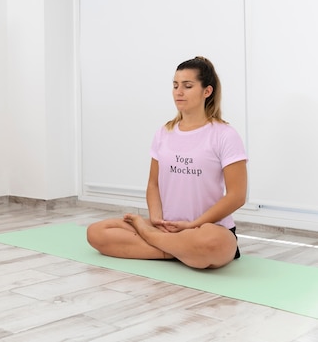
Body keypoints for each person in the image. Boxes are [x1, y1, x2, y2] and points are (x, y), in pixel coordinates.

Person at [86, 56, 247, 269]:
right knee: (96, 233)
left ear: (207, 91)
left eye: (187, 86)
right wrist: (156, 219)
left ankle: (157, 242)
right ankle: (180, 251)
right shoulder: (164, 133)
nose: (178, 92)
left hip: (207, 229)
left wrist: (193, 225)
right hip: (165, 228)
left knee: (214, 244)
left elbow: (237, 195)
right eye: (175, 85)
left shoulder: (225, 135)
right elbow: (153, 184)